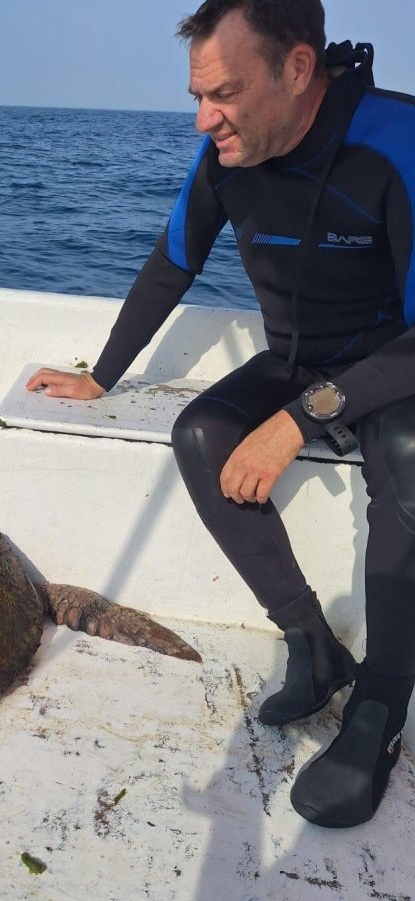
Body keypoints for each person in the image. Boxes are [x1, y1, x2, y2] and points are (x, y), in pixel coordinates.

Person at [25, 0, 415, 829]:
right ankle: (314, 646)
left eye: (225, 94)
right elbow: (172, 260)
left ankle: (380, 704)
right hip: (297, 359)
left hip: (394, 366)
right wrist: (103, 375)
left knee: (409, 450)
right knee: (199, 433)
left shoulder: (395, 141)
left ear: (299, 70)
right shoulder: (226, 157)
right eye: (197, 95)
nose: (206, 120)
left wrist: (301, 419)